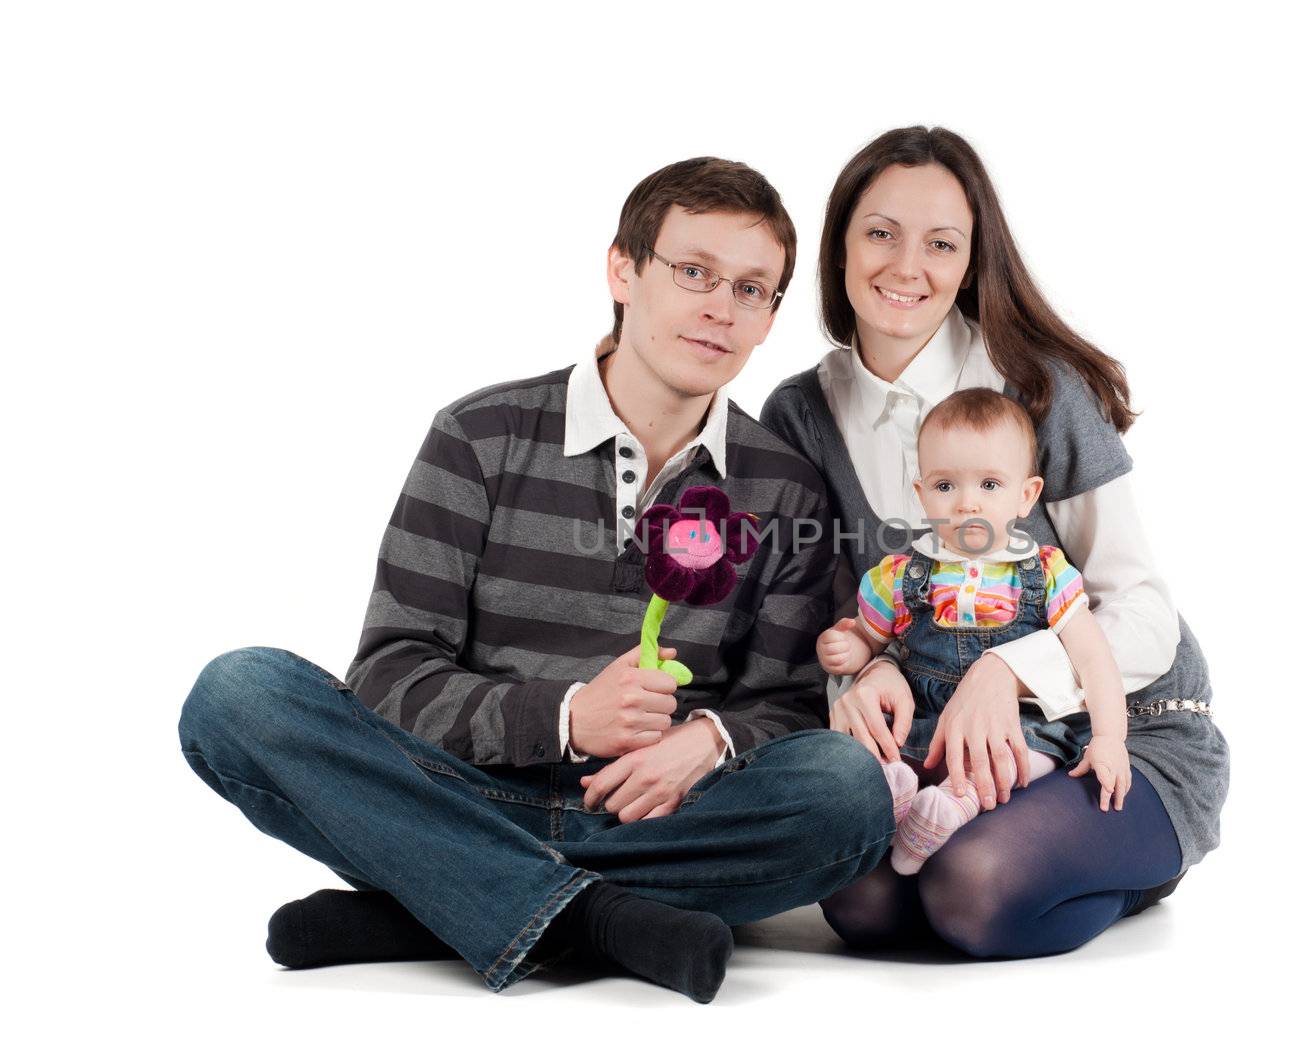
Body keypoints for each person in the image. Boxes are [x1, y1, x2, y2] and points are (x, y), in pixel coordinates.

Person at [177, 157, 895, 1003]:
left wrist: (705, 741)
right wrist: (565, 714)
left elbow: (790, 701)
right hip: (461, 793)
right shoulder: (482, 436)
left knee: (847, 793)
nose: (720, 309)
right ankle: (593, 919)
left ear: (772, 314)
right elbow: (387, 676)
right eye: (695, 272)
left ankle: (433, 901)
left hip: (658, 819)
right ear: (623, 269)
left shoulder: (781, 485)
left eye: (752, 289)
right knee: (238, 694)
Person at [760, 126, 1231, 957]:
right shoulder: (799, 414)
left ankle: (1125, 862)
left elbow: (1145, 610)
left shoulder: (1037, 385)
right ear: (838, 244)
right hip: (933, 741)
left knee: (973, 888)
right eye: (881, 232)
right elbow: (826, 619)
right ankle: (1024, 849)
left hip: (1113, 726)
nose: (907, 266)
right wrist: (862, 675)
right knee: (861, 901)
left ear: (972, 261)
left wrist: (1010, 667)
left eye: (941, 244)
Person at [816, 388, 1132, 875]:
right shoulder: (902, 574)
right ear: (921, 496)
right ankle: (892, 788)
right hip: (927, 723)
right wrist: (849, 647)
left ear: (1026, 496)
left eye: (989, 484)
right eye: (946, 487)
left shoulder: (1045, 573)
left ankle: (955, 803)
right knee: (875, 742)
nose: (966, 503)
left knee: (1035, 753)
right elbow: (871, 639)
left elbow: (1094, 660)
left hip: (1012, 726)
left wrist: (1110, 738)